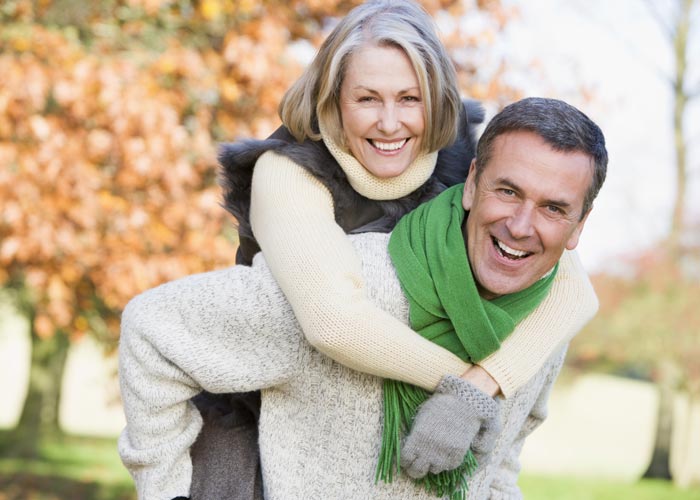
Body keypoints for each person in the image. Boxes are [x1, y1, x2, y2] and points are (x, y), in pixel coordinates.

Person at [181, 1, 597, 497]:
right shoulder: (288, 171)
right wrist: (461, 387)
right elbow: (335, 322)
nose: (390, 123)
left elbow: (572, 291)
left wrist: (482, 388)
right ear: (333, 99)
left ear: (436, 98)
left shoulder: (464, 161)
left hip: (376, 417)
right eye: (367, 99)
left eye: (409, 98)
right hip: (260, 411)